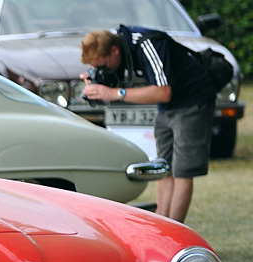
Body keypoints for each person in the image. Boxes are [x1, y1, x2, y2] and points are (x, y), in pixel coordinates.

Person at [81, 26, 217, 223]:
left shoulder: (148, 44)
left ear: (114, 51)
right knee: (164, 168)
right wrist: (96, 81)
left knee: (182, 171)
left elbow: (163, 91)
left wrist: (115, 93)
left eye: (104, 65)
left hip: (192, 99)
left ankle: (176, 233)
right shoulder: (114, 41)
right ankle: (163, 226)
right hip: (167, 107)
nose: (104, 69)